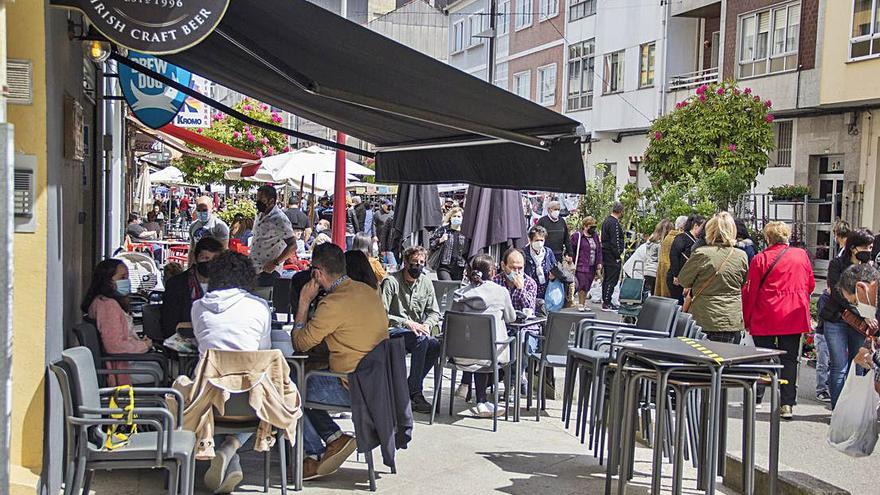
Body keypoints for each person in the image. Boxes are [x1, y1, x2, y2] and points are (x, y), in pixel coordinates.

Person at [292, 243, 389, 480]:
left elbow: (301, 344)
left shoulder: (332, 303)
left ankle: (314, 452)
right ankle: (332, 439)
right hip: (376, 384)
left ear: (317, 273)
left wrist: (304, 302)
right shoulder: (369, 292)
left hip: (351, 385)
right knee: (301, 380)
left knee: (290, 388)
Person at [189, 251, 272, 493]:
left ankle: (225, 452)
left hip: (207, 402)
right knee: (280, 390)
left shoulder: (197, 308)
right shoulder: (259, 307)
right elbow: (263, 352)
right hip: (252, 403)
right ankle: (231, 448)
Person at [742, 222, 814, 420]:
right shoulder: (801, 255)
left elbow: (751, 293)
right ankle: (787, 404)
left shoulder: (760, 259)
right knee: (790, 360)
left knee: (764, 357)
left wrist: (747, 319)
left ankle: (757, 396)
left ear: (768, 238)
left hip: (766, 316)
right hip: (792, 315)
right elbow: (810, 284)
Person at [450, 254, 516, 418]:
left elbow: (451, 321)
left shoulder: (459, 293)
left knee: (476, 345)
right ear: (493, 273)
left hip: (460, 355)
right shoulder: (501, 292)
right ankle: (481, 401)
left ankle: (476, 395)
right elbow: (511, 318)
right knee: (488, 346)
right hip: (491, 355)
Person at [381, 246, 442, 414]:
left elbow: (434, 311)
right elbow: (381, 314)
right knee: (421, 340)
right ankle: (415, 392)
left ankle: (408, 388)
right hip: (393, 331)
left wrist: (428, 324)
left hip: (417, 332)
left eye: (421, 263)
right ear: (406, 263)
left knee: (435, 345)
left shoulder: (426, 282)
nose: (418, 266)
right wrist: (406, 323)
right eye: (414, 263)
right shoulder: (391, 282)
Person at [820, 228, 875, 408]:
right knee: (839, 366)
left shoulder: (870, 268)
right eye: (866, 246)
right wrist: (861, 312)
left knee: (858, 364)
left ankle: (853, 409)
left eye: (871, 246)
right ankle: (837, 410)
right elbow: (837, 292)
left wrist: (869, 315)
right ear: (853, 247)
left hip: (859, 324)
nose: (869, 249)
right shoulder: (837, 264)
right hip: (837, 319)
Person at [678, 212, 749, 343]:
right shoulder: (741, 256)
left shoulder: (702, 253)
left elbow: (683, 280)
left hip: (704, 317)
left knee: (701, 359)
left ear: (709, 231)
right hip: (730, 319)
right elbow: (744, 282)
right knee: (725, 360)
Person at [81, 259, 154, 384]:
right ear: (108, 281)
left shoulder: (101, 302)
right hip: (120, 368)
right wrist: (144, 346)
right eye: (122, 277)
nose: (127, 281)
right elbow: (115, 346)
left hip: (124, 362)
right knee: (161, 368)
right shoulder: (108, 305)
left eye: (127, 277)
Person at [493, 248, 539, 393]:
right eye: (513, 268)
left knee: (521, 341)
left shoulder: (530, 283)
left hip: (525, 330)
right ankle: (516, 379)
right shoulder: (495, 282)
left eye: (520, 268)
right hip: (503, 328)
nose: (517, 272)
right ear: (503, 265)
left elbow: (529, 308)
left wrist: (520, 288)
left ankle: (513, 383)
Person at [161, 237, 224, 338]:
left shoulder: (225, 285)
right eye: (205, 258)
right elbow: (169, 323)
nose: (209, 264)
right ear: (196, 258)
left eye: (214, 260)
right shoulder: (176, 284)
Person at [249, 185, 297, 287]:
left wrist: (275, 263)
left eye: (261, 199)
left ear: (271, 200)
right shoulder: (260, 215)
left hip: (268, 271)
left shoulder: (280, 219)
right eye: (257, 198)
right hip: (255, 268)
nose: (258, 202)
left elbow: (293, 245)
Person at [623, 220, 672, 295]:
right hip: (638, 271)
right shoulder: (660, 244)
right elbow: (660, 260)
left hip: (642, 270)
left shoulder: (651, 241)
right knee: (638, 296)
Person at [667, 214, 705, 304]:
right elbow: (674, 256)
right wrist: (676, 275)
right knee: (678, 304)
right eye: (702, 227)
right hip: (676, 278)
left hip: (688, 280)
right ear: (695, 226)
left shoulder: (700, 241)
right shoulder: (682, 238)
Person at [570, 216, 603, 311]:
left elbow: (599, 250)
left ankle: (583, 304)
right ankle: (580, 304)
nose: (592, 228)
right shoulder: (577, 236)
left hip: (592, 265)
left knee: (588, 284)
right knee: (582, 284)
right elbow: (572, 249)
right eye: (590, 226)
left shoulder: (595, 236)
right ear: (585, 226)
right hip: (581, 264)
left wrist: (599, 262)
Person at [429, 207, 469, 281]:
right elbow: (431, 244)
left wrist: (467, 266)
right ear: (450, 218)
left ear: (462, 218)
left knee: (455, 290)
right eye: (454, 216)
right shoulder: (443, 230)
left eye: (459, 216)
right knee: (447, 286)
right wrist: (440, 240)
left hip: (459, 268)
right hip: (444, 266)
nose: (456, 218)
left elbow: (468, 250)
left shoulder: (465, 232)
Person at [600, 202, 626, 312]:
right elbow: (615, 241)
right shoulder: (614, 223)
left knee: (607, 278)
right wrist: (617, 254)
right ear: (621, 212)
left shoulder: (607, 221)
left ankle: (606, 300)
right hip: (611, 255)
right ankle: (607, 301)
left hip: (607, 253)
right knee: (611, 278)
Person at [523, 225, 558, 300]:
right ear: (530, 240)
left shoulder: (548, 252)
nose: (539, 243)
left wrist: (554, 275)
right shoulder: (524, 253)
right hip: (529, 289)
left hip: (546, 288)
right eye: (537, 240)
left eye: (542, 240)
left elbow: (554, 267)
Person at [655, 216, 686, 298]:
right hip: (672, 274)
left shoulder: (668, 237)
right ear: (683, 227)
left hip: (663, 271)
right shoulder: (678, 239)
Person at [374, 199, 396, 267]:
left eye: (390, 206)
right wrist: (374, 235)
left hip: (389, 237)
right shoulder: (377, 213)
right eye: (387, 206)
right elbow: (374, 224)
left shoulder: (392, 214)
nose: (389, 207)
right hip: (379, 236)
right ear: (383, 206)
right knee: (381, 253)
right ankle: (382, 266)